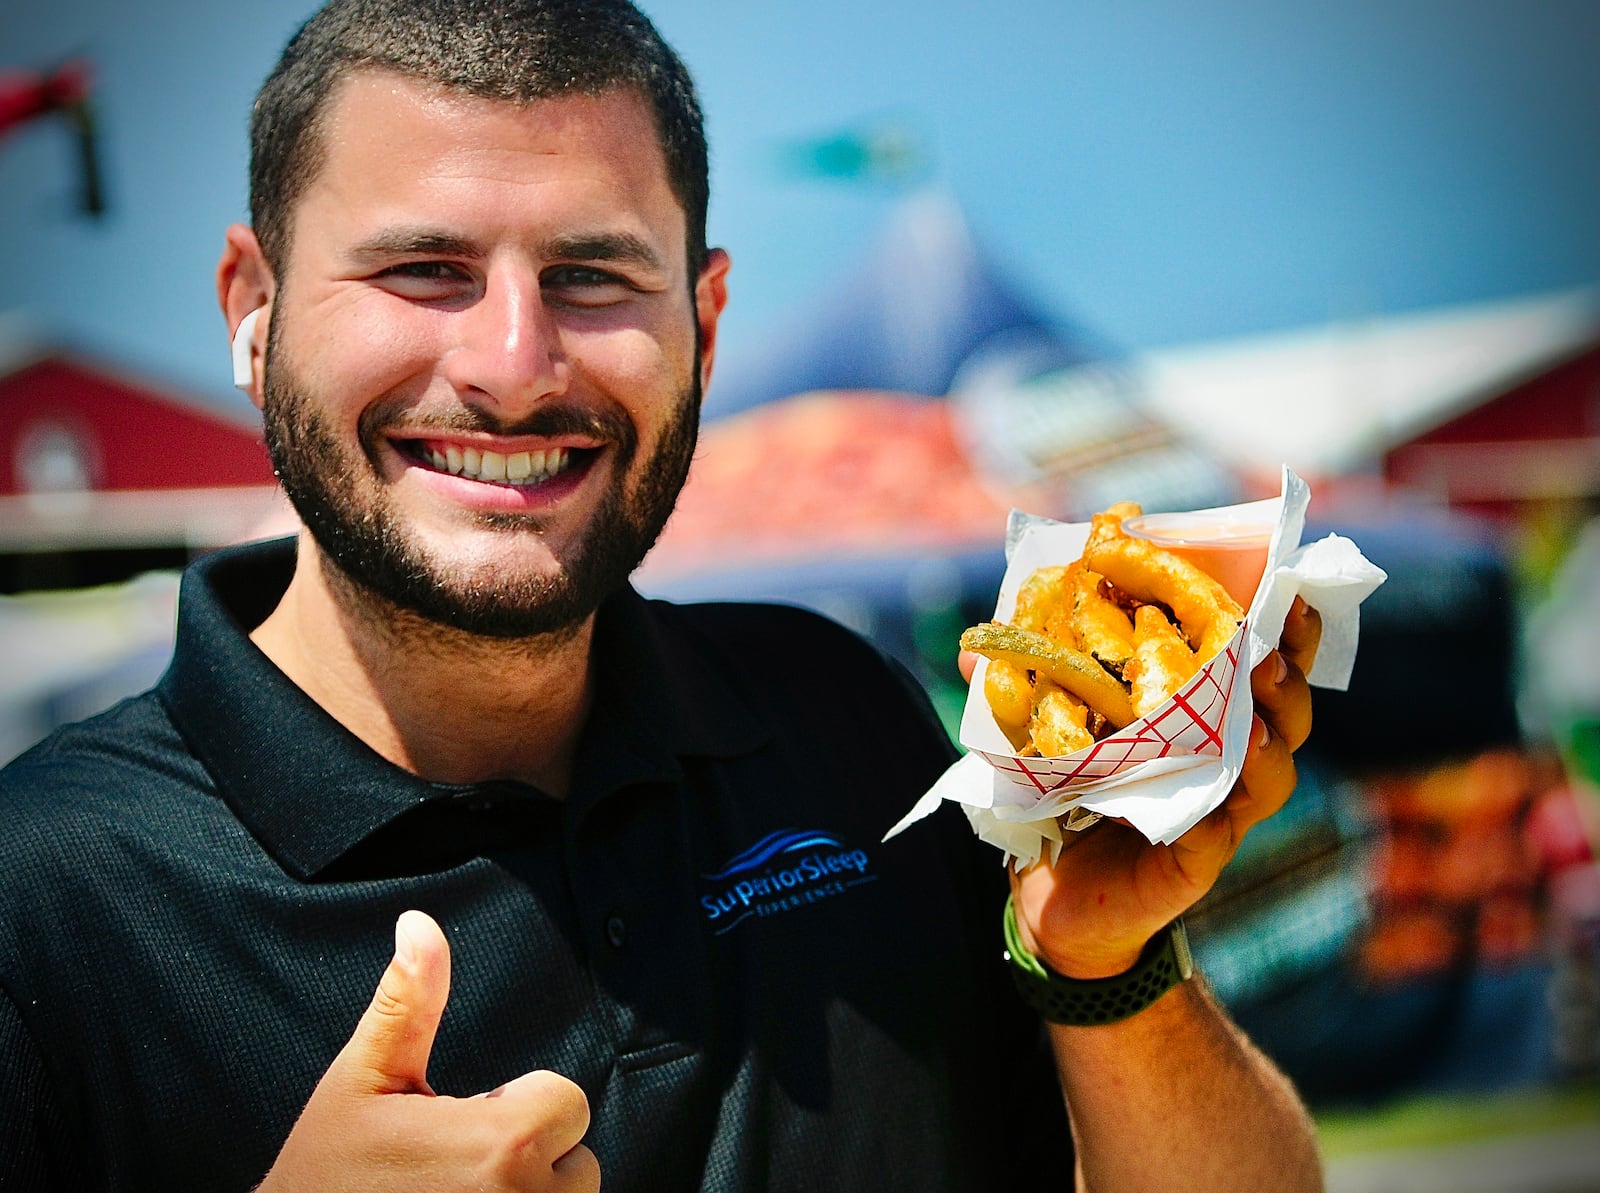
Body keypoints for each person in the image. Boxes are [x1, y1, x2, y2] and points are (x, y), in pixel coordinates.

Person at [0, 1, 1326, 1189]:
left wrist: (1112, 973)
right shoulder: (39, 900)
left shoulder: (844, 721)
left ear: (707, 315)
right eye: (423, 269)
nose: (515, 368)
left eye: (591, 276)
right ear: (254, 305)